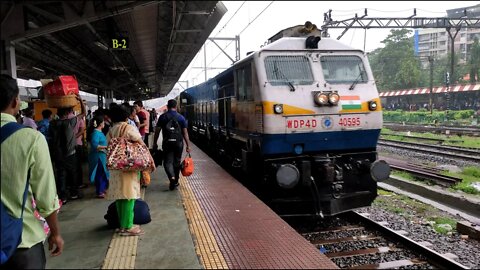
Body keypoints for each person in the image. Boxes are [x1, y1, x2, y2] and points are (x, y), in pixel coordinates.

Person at [0, 74, 64, 268]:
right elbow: (46, 197)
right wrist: (55, 233)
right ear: (15, 101)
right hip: (20, 241)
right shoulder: (31, 138)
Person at [106, 105, 146, 236]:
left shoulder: (111, 130)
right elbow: (141, 144)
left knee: (120, 196)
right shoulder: (129, 128)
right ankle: (128, 226)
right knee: (130, 196)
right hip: (128, 166)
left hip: (116, 168)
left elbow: (108, 146)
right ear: (127, 116)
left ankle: (122, 225)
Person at [48, 96, 86, 204]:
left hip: (58, 154)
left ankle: (63, 196)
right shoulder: (70, 122)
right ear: (66, 114)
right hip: (70, 153)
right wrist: (80, 101)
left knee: (61, 174)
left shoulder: (52, 124)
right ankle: (73, 193)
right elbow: (84, 113)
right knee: (72, 173)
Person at [153, 99, 191, 191]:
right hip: (178, 143)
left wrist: (155, 143)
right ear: (176, 106)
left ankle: (172, 178)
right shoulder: (181, 117)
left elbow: (157, 132)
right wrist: (188, 145)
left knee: (167, 162)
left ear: (167, 106)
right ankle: (176, 180)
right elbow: (185, 133)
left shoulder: (162, 117)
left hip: (167, 143)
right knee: (177, 162)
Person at [87, 114, 110, 198]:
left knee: (103, 173)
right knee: (99, 174)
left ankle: (102, 189)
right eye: (104, 122)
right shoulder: (95, 133)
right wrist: (106, 147)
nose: (104, 123)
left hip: (102, 156)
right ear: (100, 124)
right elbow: (94, 145)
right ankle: (99, 191)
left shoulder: (99, 132)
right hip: (98, 157)